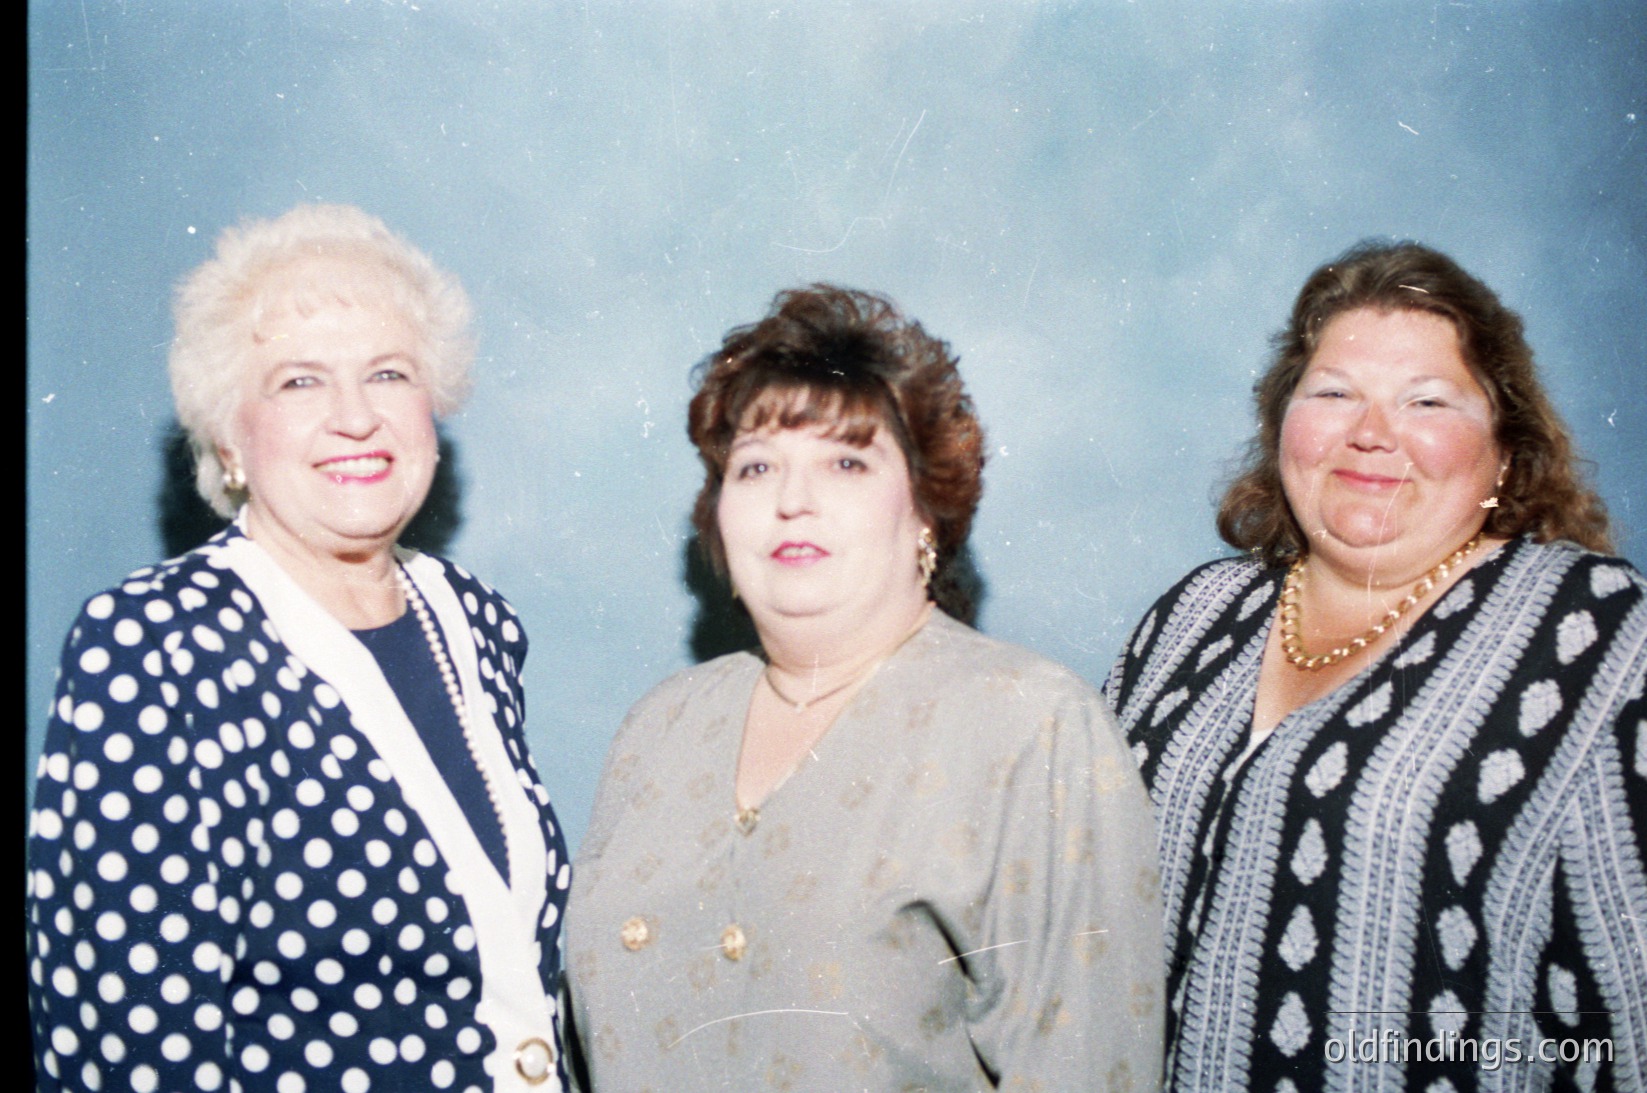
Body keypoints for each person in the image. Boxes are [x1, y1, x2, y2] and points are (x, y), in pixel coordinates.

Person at [26, 204, 570, 1092]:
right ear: (231, 437)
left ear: (431, 409)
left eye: (388, 374)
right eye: (299, 382)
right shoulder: (154, 645)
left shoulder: (474, 620)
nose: (355, 417)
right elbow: (127, 1050)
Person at [564, 285, 1162, 1090]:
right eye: (755, 466)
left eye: (845, 461)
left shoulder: (1031, 725)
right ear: (719, 515)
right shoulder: (661, 725)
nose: (791, 499)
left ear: (925, 509)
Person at [1108, 240, 1647, 1091]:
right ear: (1282, 421)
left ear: (1504, 450)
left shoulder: (1595, 632)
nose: (1370, 433)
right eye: (1332, 393)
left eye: (1426, 401)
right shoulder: (1195, 617)